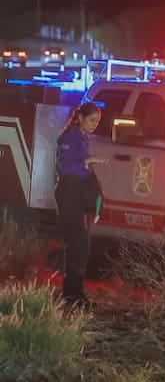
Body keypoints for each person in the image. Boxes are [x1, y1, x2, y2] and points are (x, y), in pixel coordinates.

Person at [54, 102, 107, 307]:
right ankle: (71, 294)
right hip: (69, 193)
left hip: (77, 194)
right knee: (77, 243)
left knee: (82, 245)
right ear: (81, 118)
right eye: (92, 120)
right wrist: (89, 160)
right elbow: (67, 167)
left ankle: (77, 293)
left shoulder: (83, 138)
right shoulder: (69, 138)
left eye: (97, 121)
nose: (94, 125)